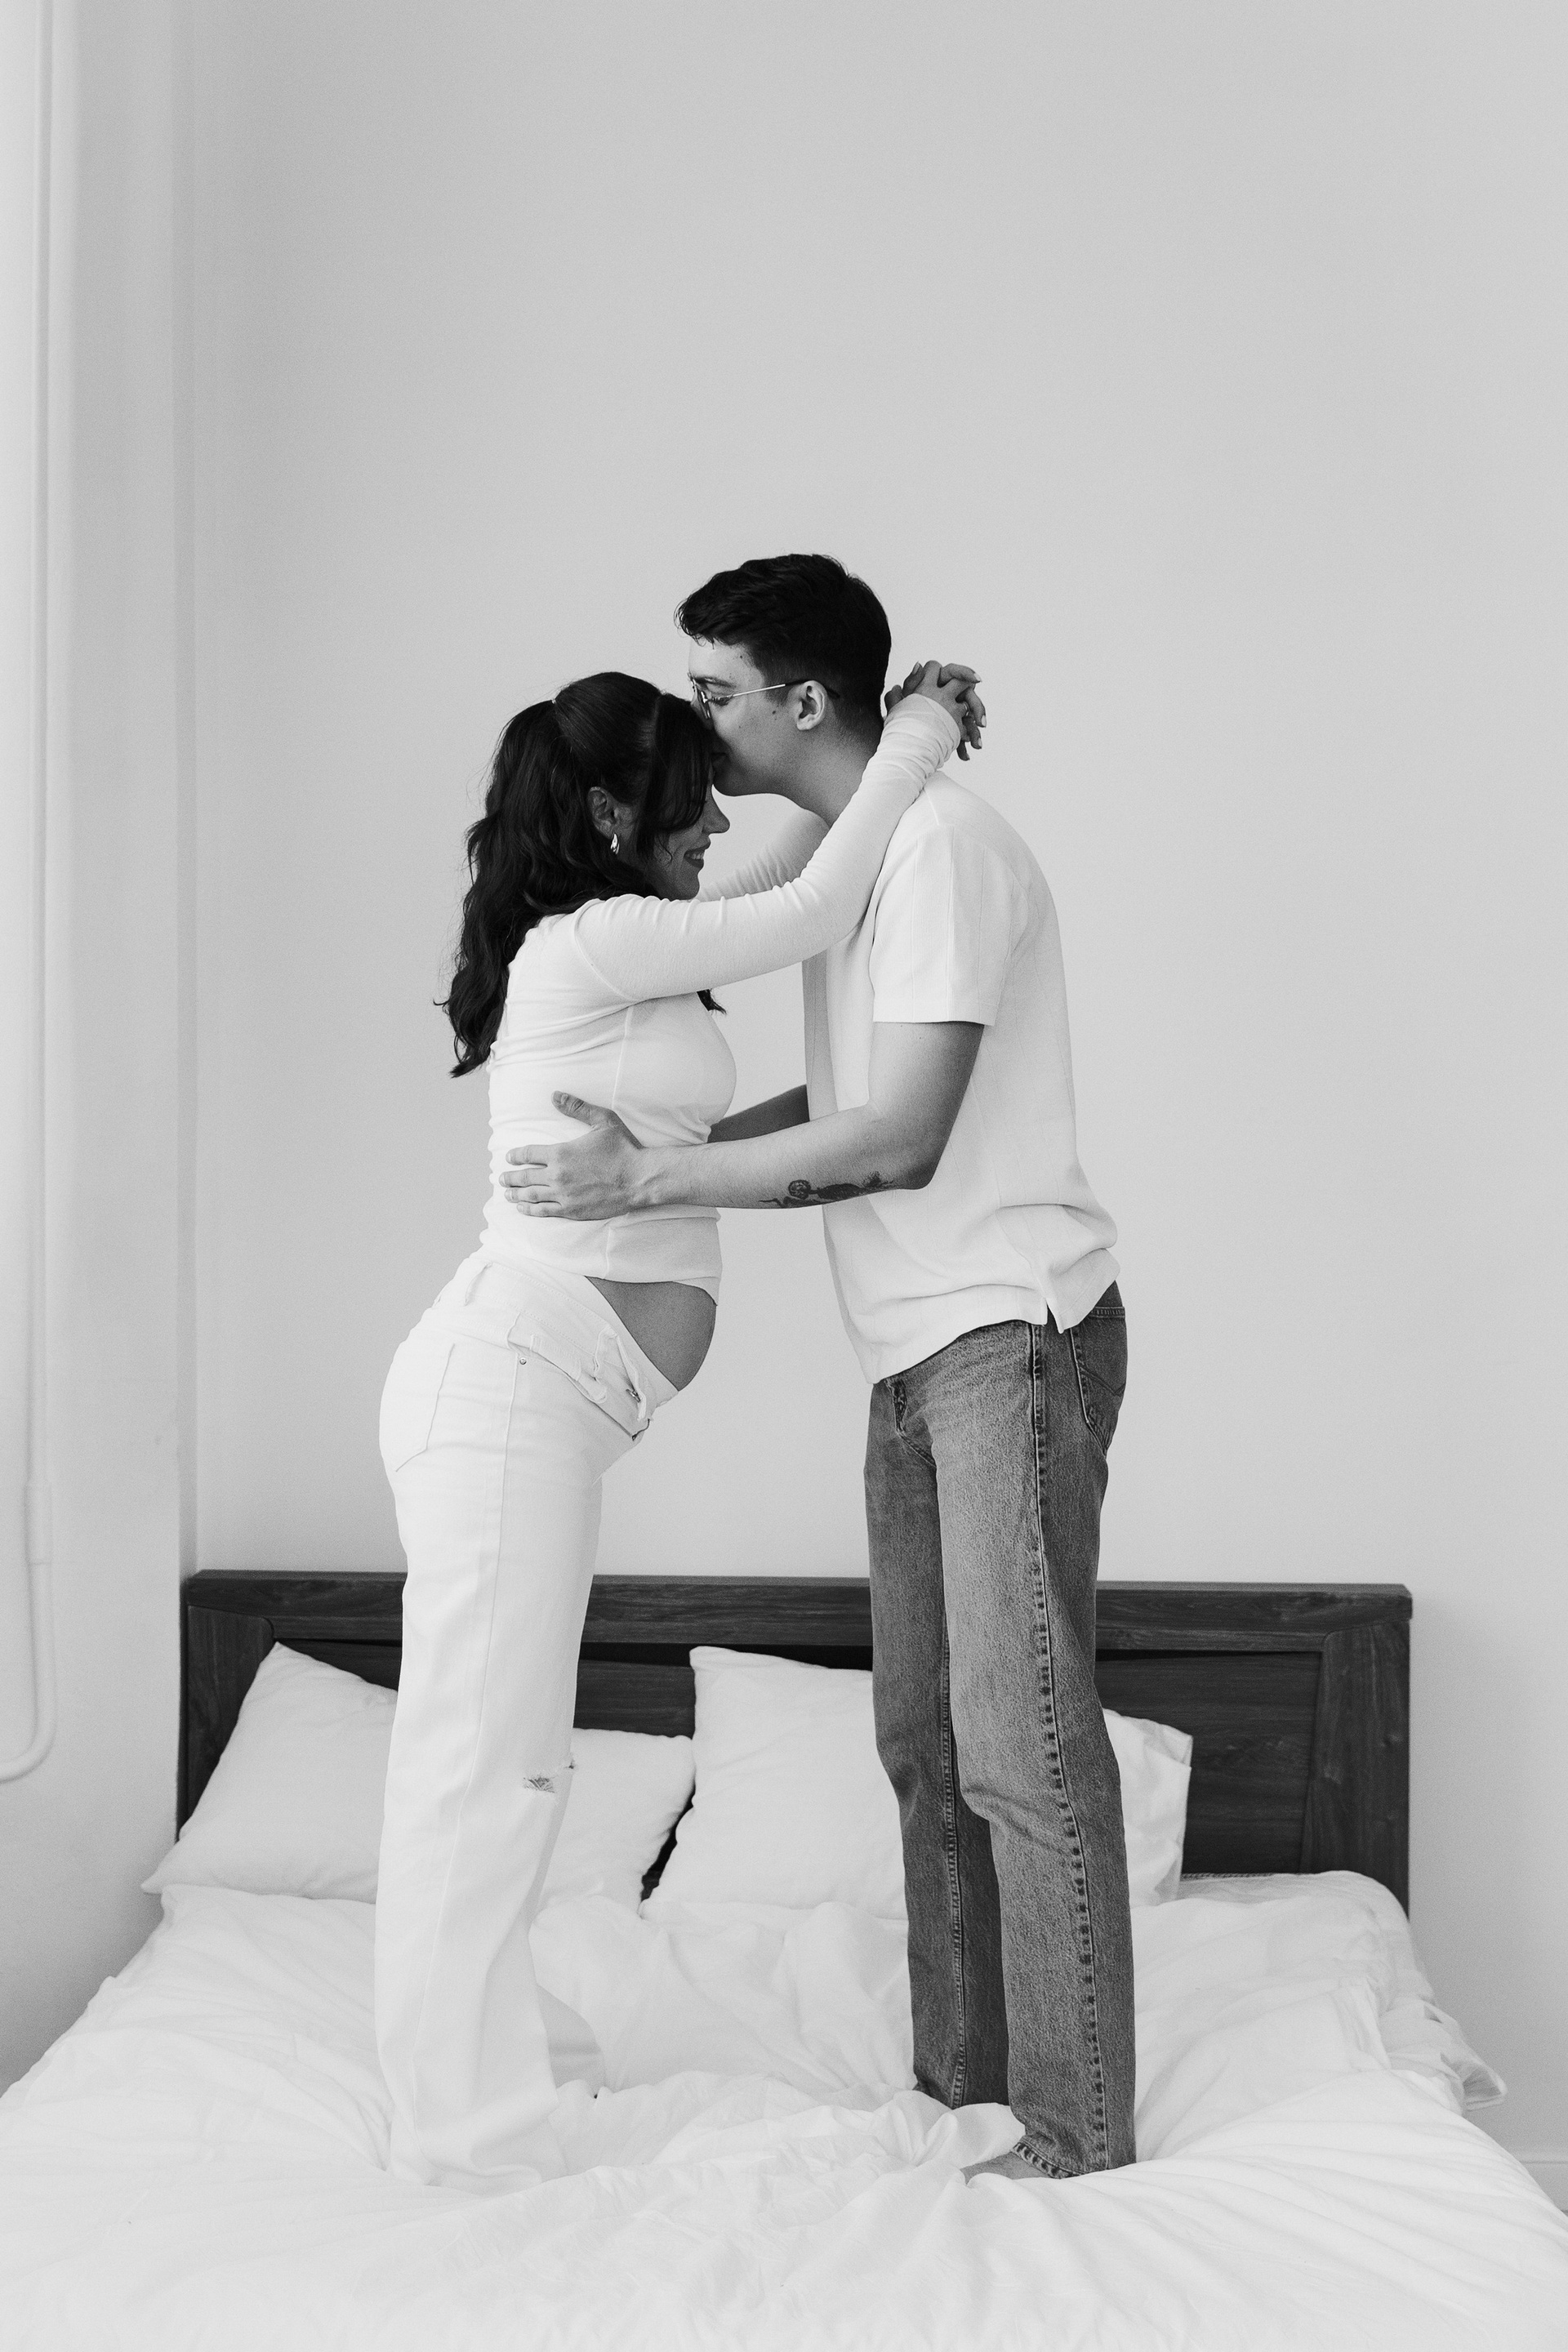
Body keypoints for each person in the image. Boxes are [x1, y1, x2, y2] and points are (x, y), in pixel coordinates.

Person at [501, 554, 1133, 2185]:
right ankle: (961, 2093)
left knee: (1021, 1746)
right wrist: (680, 1141)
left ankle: (1075, 2140)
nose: (697, 718)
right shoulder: (864, 861)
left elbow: (899, 1139)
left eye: (714, 690)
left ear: (799, 699)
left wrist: (651, 1179)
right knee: (925, 1745)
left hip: (1007, 1332)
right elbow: (848, 1091)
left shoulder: (942, 854)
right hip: (915, 1350)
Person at [375, 658, 973, 2193]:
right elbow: (808, 907)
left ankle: (489, 2069)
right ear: (604, 814)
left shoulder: (626, 948)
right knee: (483, 1768)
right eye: (689, 803)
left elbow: (771, 894)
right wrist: (912, 735)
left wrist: (844, 1119)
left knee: (505, 1764)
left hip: (542, 1392)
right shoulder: (595, 943)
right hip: (508, 1384)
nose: (717, 824)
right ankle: (457, 2136)